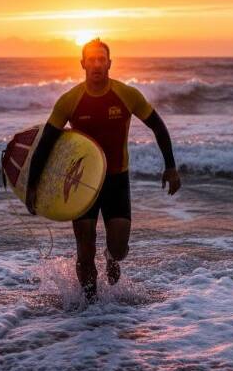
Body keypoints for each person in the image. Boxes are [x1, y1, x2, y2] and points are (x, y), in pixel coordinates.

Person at [26, 38, 181, 302]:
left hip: (116, 181)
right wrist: (32, 185)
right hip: (80, 184)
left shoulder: (126, 95)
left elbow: (157, 125)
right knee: (85, 250)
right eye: (91, 59)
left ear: (109, 63)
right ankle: (91, 306)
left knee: (119, 248)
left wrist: (170, 167)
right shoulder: (70, 101)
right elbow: (46, 143)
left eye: (101, 59)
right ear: (82, 63)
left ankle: (111, 258)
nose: (96, 64)